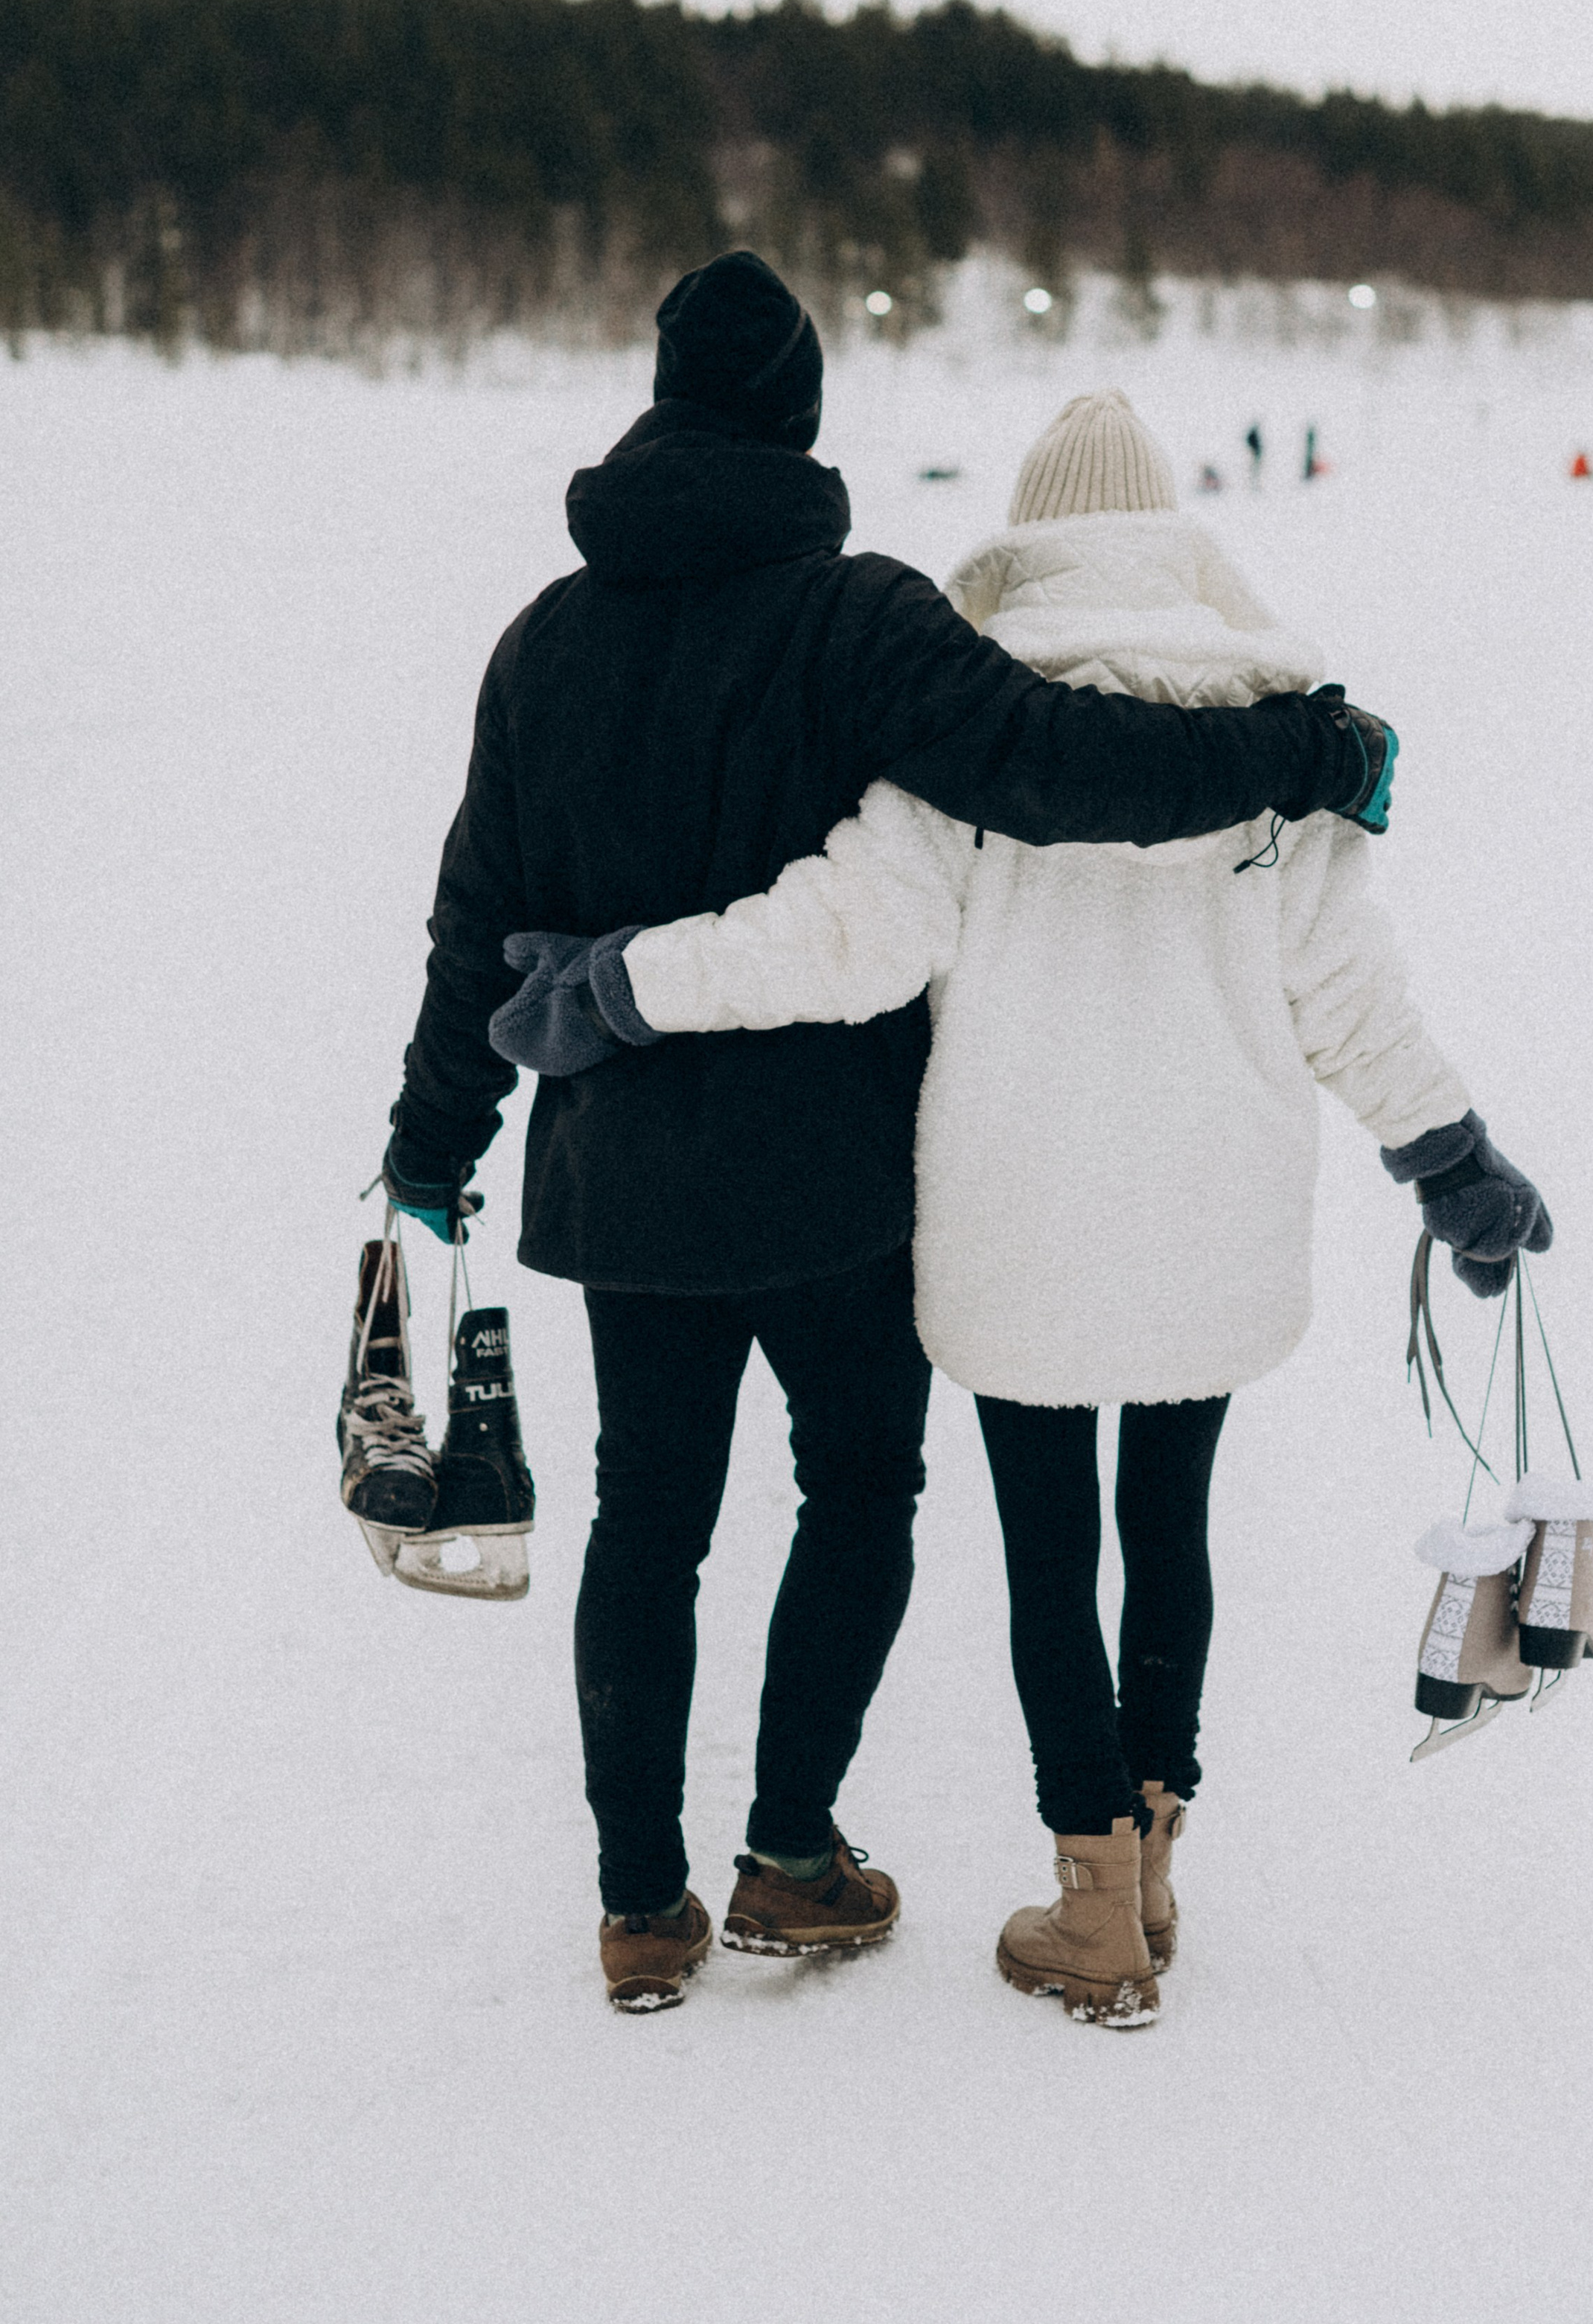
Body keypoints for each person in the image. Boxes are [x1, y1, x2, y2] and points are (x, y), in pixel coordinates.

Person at [379, 258, 1399, 2015]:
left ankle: (640, 1902)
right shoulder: (850, 615)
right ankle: (787, 1848)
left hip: (620, 1177)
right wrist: (1296, 749)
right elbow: (1060, 764)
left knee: (650, 1514)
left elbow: (475, 919)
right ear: (800, 410)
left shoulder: (542, 639)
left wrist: (430, 1146)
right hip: (827, 1177)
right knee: (858, 1489)